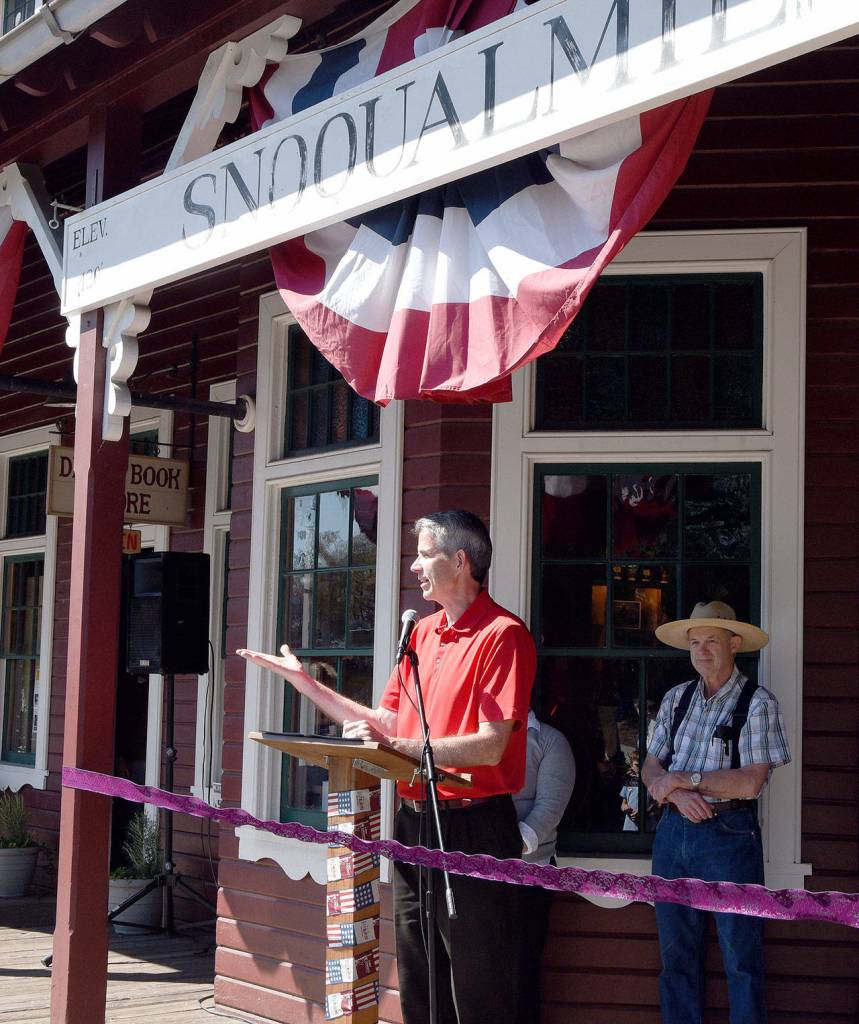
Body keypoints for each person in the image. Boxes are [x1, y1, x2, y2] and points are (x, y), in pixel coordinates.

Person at [238, 510, 535, 1024]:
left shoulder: (502, 634)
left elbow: (490, 746)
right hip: (413, 823)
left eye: (424, 554)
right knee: (419, 980)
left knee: (478, 986)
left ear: (460, 560)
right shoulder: (419, 634)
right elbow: (384, 722)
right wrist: (305, 684)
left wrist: (398, 746)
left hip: (475, 824)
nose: (414, 567)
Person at [641, 601, 791, 1024]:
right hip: (672, 834)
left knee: (741, 960)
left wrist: (683, 781)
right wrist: (673, 794)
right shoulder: (677, 698)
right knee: (676, 959)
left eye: (712, 641)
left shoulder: (758, 703)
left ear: (735, 644)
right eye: (694, 642)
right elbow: (652, 767)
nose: (702, 651)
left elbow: (750, 782)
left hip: (729, 835)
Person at [512, 710, 575, 1024]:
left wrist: (505, 846)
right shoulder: (468, 737)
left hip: (529, 874)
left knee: (521, 969)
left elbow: (549, 809)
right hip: (476, 873)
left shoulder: (549, 741)